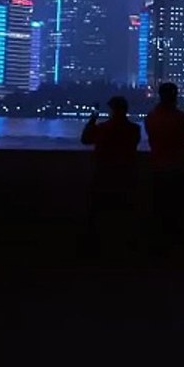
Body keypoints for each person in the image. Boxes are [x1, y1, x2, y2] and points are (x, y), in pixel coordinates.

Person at [144, 82, 184, 253]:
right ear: (174, 96)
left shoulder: (151, 117)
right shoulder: (180, 117)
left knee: (159, 208)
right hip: (178, 168)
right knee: (179, 209)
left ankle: (159, 246)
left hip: (157, 167)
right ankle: (177, 247)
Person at [81, 95, 141, 254]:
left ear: (112, 110)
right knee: (125, 215)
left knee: (98, 213)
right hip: (126, 175)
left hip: (103, 174)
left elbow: (85, 139)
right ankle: (125, 247)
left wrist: (93, 119)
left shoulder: (102, 129)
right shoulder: (134, 129)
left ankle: (95, 247)